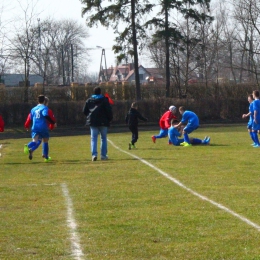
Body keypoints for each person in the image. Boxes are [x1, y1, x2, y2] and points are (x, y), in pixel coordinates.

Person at [83, 86, 113, 161]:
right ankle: (103, 155)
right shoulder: (104, 100)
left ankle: (94, 155)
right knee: (103, 138)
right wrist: (109, 119)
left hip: (93, 121)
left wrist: (89, 116)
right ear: (100, 92)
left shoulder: (89, 100)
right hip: (103, 121)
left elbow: (85, 111)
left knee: (93, 138)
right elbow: (108, 110)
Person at [24, 94, 56, 162]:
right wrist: (53, 123)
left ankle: (28, 146)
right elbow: (45, 115)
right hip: (43, 127)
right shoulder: (44, 108)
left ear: (37, 101)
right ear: (44, 101)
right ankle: (46, 157)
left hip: (35, 127)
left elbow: (30, 118)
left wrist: (27, 125)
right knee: (45, 141)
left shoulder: (33, 109)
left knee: (35, 141)